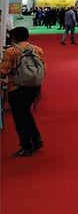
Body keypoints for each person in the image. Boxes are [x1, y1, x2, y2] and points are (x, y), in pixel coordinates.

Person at [1, 26, 45, 157]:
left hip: (16, 88)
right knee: (26, 113)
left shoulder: (11, 51)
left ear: (14, 38)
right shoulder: (37, 49)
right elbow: (42, 68)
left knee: (19, 119)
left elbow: (4, 71)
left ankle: (26, 146)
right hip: (34, 87)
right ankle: (36, 138)